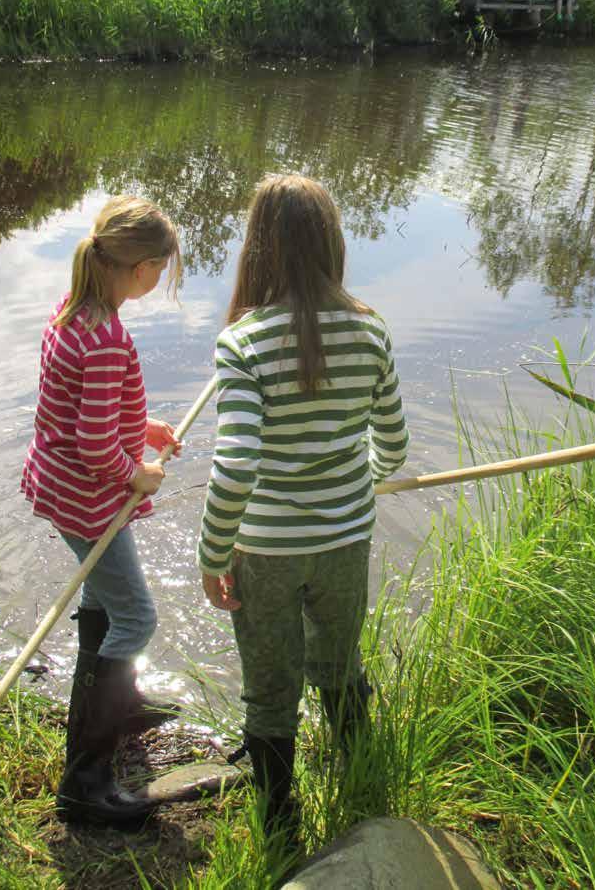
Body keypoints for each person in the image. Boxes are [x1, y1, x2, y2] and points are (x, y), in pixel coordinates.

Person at [197, 174, 410, 849]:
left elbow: (235, 466)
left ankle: (280, 824)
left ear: (256, 249)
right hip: (346, 536)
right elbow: (394, 445)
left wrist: (212, 554)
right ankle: (360, 787)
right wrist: (354, 483)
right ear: (331, 243)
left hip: (264, 549)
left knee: (269, 680)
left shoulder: (244, 343)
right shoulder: (370, 331)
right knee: (339, 663)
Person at [21, 195, 184, 827]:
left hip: (60, 489)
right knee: (137, 618)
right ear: (141, 269)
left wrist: (140, 426)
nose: (158, 281)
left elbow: (79, 408)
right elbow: (93, 444)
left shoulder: (72, 313)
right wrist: (136, 474)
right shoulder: (110, 336)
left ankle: (115, 704)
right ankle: (86, 778)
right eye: (160, 271)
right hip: (89, 500)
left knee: (103, 605)